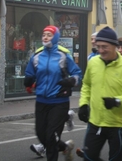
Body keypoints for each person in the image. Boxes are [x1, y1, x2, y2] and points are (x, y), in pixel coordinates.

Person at [78, 26, 122, 161]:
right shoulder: (93, 62)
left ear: (115, 46)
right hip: (95, 121)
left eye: (104, 47)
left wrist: (117, 101)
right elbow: (87, 84)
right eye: (98, 46)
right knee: (88, 158)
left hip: (116, 124)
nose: (100, 50)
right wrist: (83, 104)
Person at [24, 25, 82, 161]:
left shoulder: (63, 54)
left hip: (59, 101)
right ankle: (64, 147)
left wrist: (71, 81)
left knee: (50, 136)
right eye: (44, 34)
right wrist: (28, 81)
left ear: (55, 37)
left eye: (49, 35)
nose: (45, 37)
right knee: (41, 134)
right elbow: (29, 72)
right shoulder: (37, 55)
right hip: (41, 101)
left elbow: (77, 74)